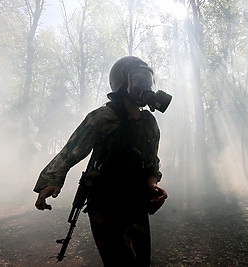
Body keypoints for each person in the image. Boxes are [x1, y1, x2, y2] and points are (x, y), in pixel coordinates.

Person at [33, 56, 171, 266]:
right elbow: (71, 151)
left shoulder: (149, 122)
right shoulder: (102, 117)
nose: (144, 85)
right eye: (137, 80)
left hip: (136, 201)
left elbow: (152, 163)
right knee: (121, 261)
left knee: (142, 261)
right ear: (122, 83)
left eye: (147, 80)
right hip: (106, 202)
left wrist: (153, 185)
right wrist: (51, 180)